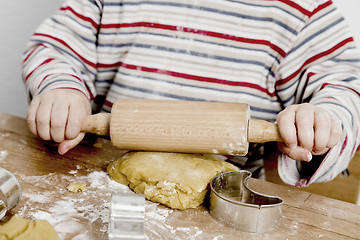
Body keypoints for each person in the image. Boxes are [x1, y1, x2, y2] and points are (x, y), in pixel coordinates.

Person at [22, 0, 360, 187]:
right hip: (100, 177)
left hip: (227, 199)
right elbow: (56, 47)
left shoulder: (301, 12)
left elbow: (345, 87)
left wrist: (321, 121)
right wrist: (62, 89)